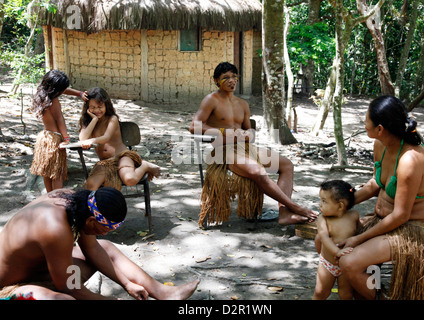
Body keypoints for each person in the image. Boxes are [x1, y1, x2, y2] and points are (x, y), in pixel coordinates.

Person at [0, 187, 199, 300]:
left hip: (41, 269)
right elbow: (70, 287)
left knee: (106, 248)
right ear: (90, 221)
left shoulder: (79, 205)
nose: (104, 233)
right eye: (103, 229)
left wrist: (128, 284)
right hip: (8, 286)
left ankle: (164, 293)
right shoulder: (54, 229)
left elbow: (92, 248)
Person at [338, 95, 424, 300]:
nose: (363, 123)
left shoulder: (410, 160)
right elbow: (375, 183)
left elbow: (400, 216)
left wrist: (358, 239)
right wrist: (343, 203)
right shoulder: (381, 144)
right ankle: (363, 292)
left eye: (366, 120)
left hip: (413, 229)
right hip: (384, 222)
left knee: (349, 262)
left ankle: (379, 296)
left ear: (380, 128)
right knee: (328, 237)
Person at [190, 62, 317, 226]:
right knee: (258, 170)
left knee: (287, 165)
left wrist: (248, 135)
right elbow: (194, 127)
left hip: (246, 149)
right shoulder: (211, 100)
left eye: (234, 77)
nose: (231, 81)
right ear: (216, 80)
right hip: (223, 151)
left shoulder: (242, 104)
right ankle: (295, 207)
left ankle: (285, 213)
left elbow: (249, 131)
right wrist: (227, 133)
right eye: (225, 78)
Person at [78, 87, 161, 191]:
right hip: (106, 163)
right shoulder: (88, 121)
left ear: (106, 105)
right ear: (87, 108)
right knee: (90, 186)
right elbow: (82, 139)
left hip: (122, 156)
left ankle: (144, 166)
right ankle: (97, 207)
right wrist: (94, 120)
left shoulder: (112, 118)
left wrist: (92, 140)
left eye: (100, 106)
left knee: (130, 179)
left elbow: (106, 137)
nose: (97, 110)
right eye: (92, 107)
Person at [30, 69, 88, 192]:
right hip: (55, 139)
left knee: (47, 172)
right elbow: (59, 119)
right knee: (57, 173)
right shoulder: (54, 101)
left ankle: (49, 197)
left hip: (45, 137)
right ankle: (57, 198)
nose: (63, 92)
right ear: (56, 89)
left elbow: (63, 89)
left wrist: (79, 93)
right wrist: (66, 139)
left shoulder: (43, 94)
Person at [313, 180, 361, 300]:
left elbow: (359, 233)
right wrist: (337, 252)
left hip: (346, 265)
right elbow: (324, 237)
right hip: (328, 264)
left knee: (346, 295)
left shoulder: (354, 215)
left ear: (340, 206)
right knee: (320, 292)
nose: (320, 204)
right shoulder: (323, 219)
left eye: (324, 201)